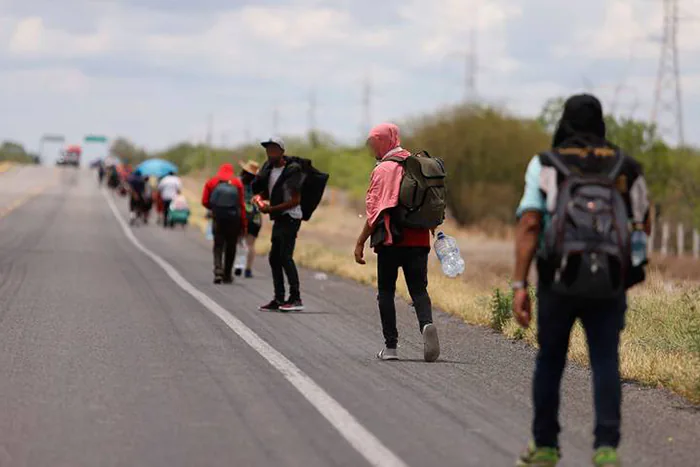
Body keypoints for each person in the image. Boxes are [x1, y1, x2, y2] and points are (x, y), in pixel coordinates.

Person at [512, 94, 650, 467]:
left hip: (557, 279)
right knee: (605, 360)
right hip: (609, 283)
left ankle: (544, 447)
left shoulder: (546, 163)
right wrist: (629, 273)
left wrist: (519, 284)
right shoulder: (626, 166)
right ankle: (605, 449)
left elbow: (530, 223)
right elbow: (642, 224)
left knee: (551, 359)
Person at [353, 123, 440, 362]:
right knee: (419, 290)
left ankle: (391, 348)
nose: (372, 149)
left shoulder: (384, 170)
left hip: (391, 242)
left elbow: (375, 213)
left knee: (386, 292)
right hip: (419, 240)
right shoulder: (417, 164)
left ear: (382, 141)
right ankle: (426, 325)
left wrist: (360, 242)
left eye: (373, 144)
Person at [252, 137, 305, 312]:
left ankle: (295, 298)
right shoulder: (268, 169)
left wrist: (271, 209)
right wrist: (260, 199)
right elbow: (268, 191)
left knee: (284, 256)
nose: (270, 153)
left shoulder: (292, 170)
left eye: (274, 150)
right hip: (279, 216)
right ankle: (279, 298)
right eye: (268, 150)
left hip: (291, 216)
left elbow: (295, 200)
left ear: (282, 151)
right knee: (274, 257)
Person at [202, 163, 247, 284]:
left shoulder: (212, 182)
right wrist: (243, 224)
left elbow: (205, 201)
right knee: (231, 246)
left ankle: (218, 271)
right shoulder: (237, 183)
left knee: (218, 245)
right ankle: (227, 275)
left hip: (218, 218)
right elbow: (242, 205)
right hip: (234, 220)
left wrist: (214, 209)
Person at [236, 160, 262, 279]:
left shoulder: (238, 182)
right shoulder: (259, 185)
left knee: (239, 241)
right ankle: (248, 269)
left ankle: (238, 265)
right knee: (251, 244)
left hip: (241, 213)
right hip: (255, 216)